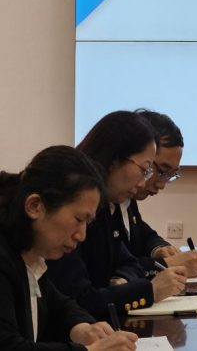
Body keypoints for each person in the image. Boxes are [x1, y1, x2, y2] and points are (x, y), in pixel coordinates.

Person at [45, 112, 188, 319]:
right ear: (114, 159)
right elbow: (80, 301)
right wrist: (150, 290)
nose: (143, 182)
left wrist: (122, 281)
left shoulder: (108, 205)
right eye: (144, 170)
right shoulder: (69, 205)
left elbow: (129, 262)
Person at [0, 145, 138, 350]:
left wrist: (83, 328)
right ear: (34, 206)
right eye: (78, 219)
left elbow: (59, 305)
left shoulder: (30, 254)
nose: (81, 235)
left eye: (87, 223)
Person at [116, 109, 197, 278]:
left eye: (170, 175)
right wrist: (166, 264)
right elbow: (111, 268)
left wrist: (159, 248)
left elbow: (142, 233)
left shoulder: (127, 196)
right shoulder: (102, 200)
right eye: (162, 171)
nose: (162, 185)